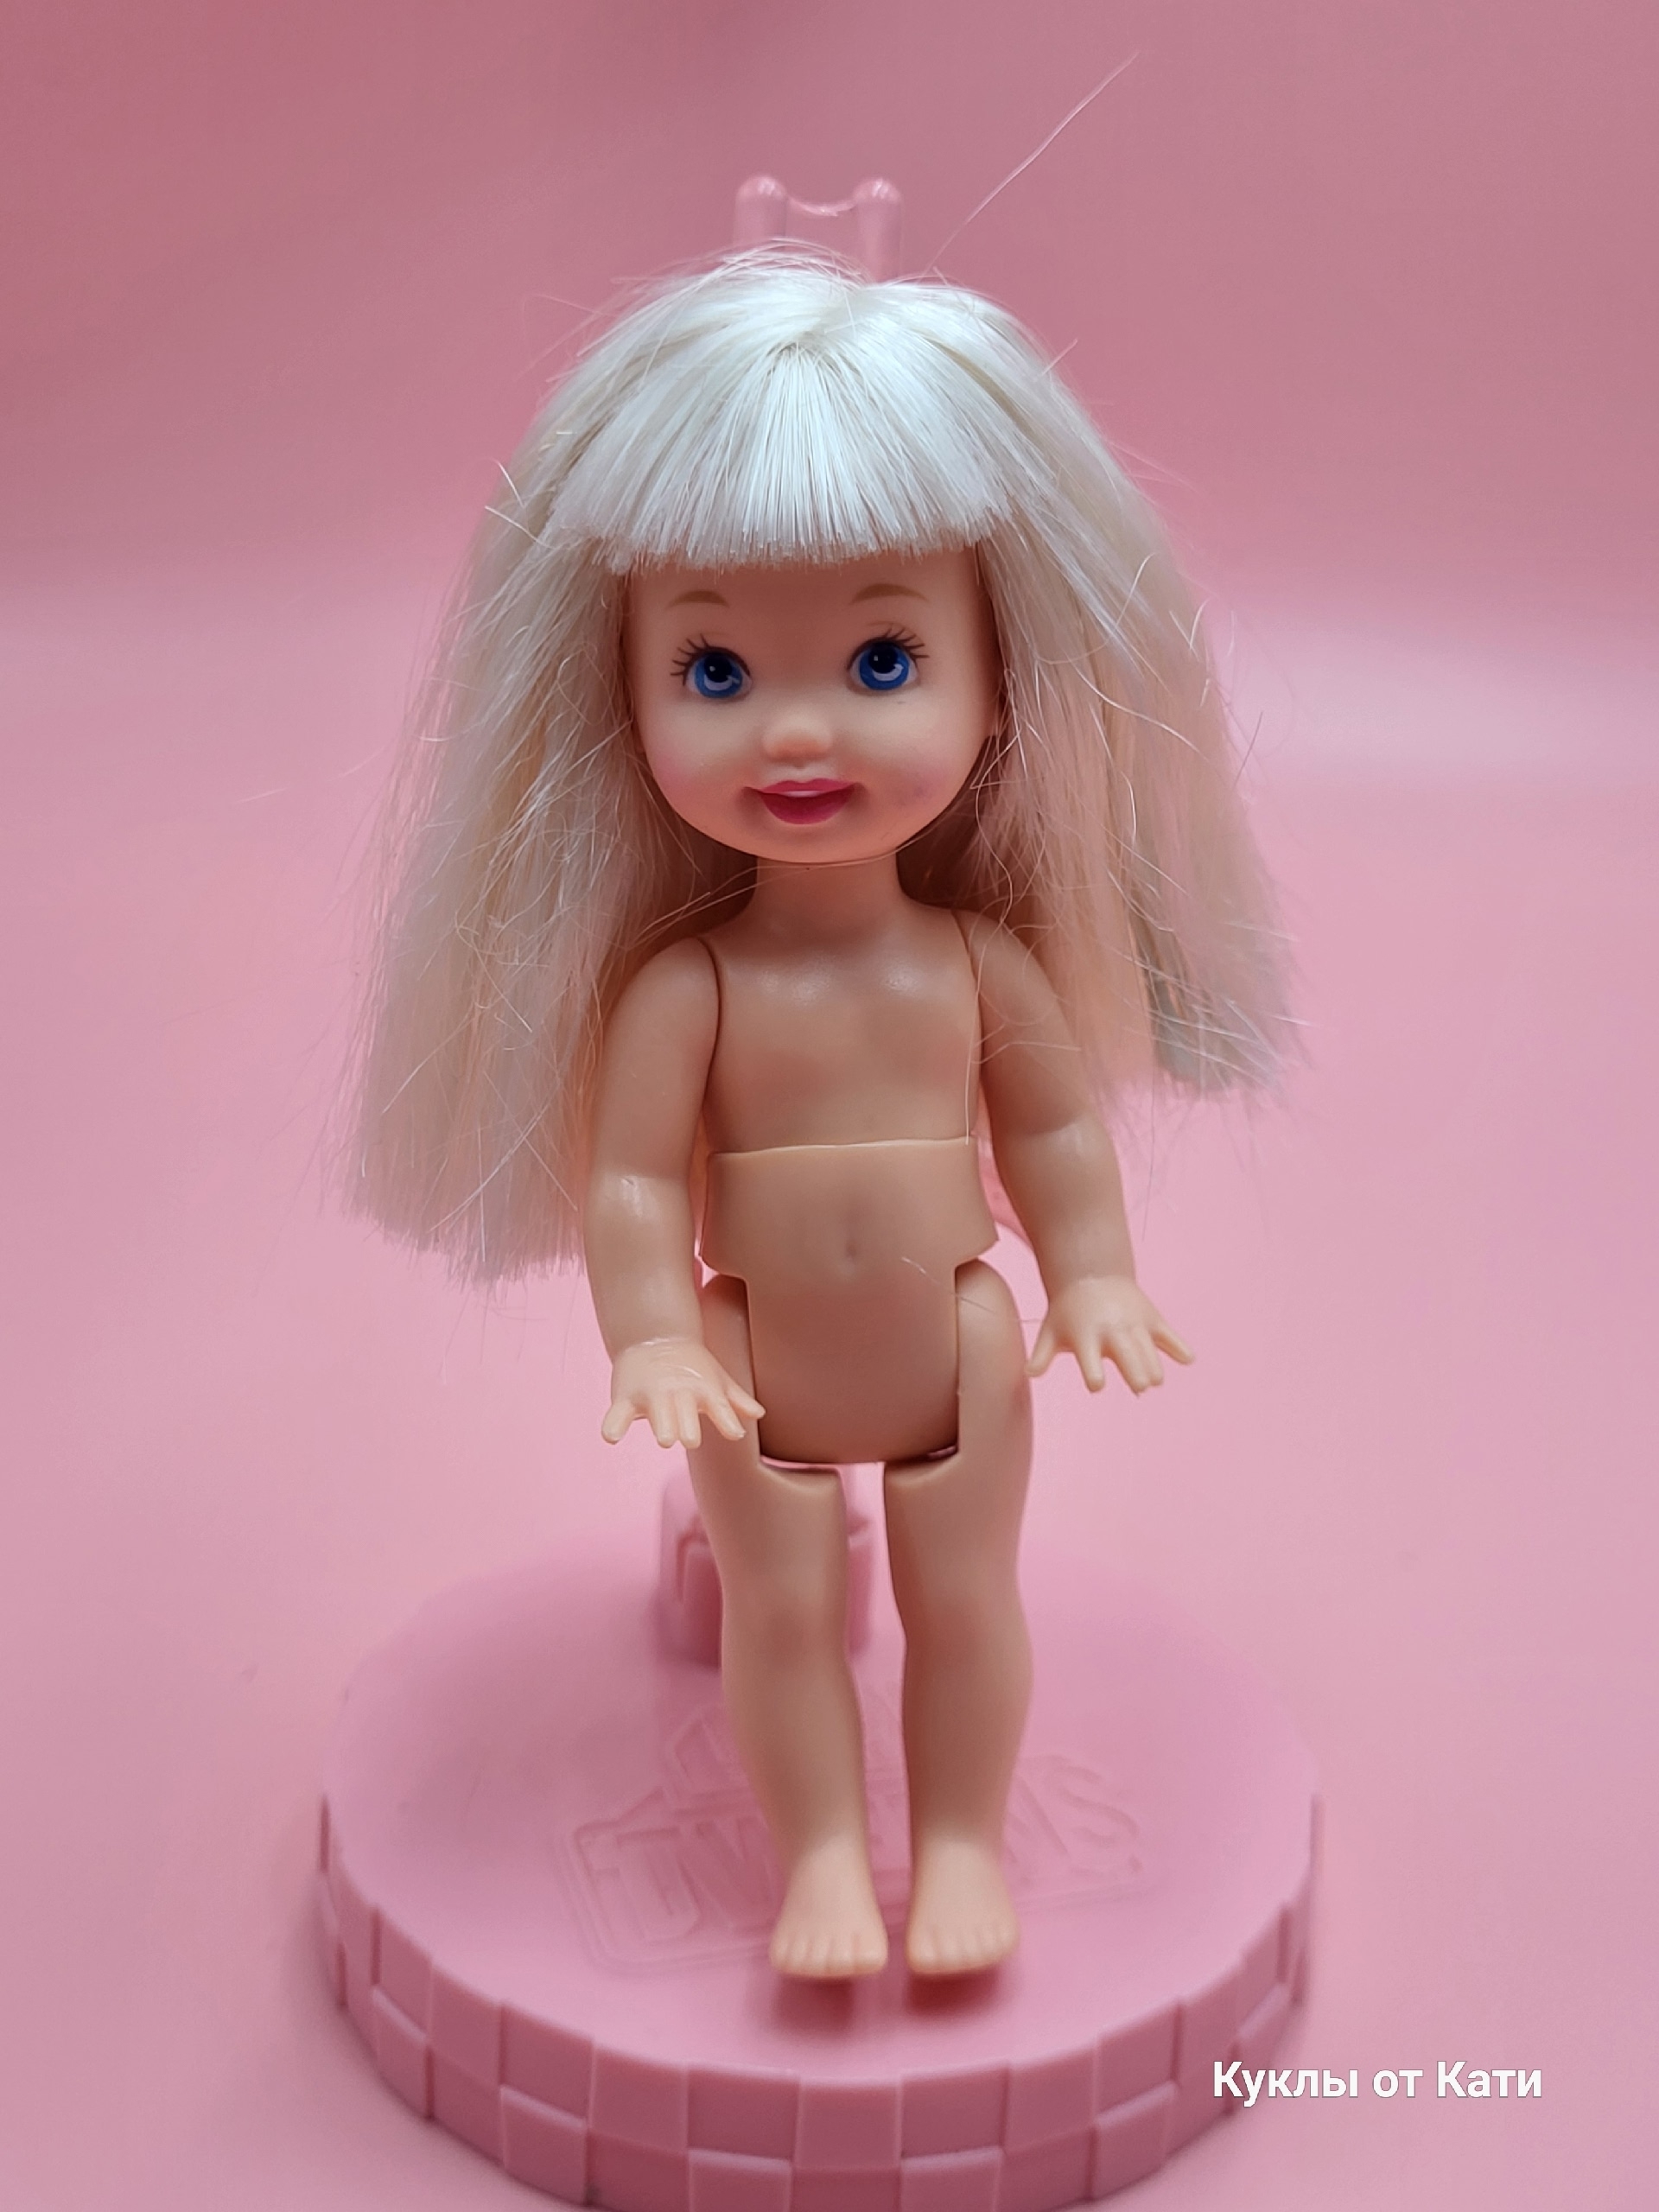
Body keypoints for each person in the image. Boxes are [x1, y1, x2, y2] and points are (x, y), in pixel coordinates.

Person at [350, 251, 1285, 1979]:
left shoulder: (976, 965)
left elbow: (1052, 1134)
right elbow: (638, 1183)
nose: (798, 729)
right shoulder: (687, 989)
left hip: (957, 1343)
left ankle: (961, 1844)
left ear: (998, 676)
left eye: (880, 656)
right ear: (623, 688)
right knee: (784, 1615)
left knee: (964, 1598)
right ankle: (826, 1866)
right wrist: (651, 1335)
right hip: (751, 1352)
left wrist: (1090, 1272)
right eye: (714, 670)